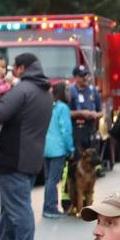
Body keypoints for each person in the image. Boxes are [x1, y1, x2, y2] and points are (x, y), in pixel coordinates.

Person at [0, 52, 53, 240]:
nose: (10, 71)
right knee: (9, 206)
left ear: (21, 68)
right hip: (31, 158)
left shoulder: (21, 90)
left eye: (13, 68)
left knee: (18, 207)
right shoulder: (44, 92)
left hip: (12, 158)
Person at [42, 81, 74, 218]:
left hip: (45, 148)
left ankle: (46, 207)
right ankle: (51, 208)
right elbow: (65, 130)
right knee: (53, 180)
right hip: (58, 149)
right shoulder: (63, 108)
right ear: (62, 92)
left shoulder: (47, 106)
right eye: (67, 90)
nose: (69, 93)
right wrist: (70, 148)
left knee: (48, 178)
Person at [69, 64, 102, 150]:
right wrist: (81, 113)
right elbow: (66, 113)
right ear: (75, 77)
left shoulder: (93, 91)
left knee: (93, 159)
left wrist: (95, 114)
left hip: (91, 129)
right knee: (78, 160)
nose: (85, 78)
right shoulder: (71, 91)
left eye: (86, 75)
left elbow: (101, 111)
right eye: (82, 76)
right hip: (77, 129)